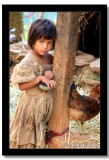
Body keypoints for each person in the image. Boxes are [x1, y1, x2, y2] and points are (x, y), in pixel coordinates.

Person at [10, 19, 57, 148]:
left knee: (44, 134)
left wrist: (49, 74)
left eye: (49, 42)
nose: (45, 46)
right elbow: (21, 86)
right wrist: (39, 79)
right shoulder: (28, 61)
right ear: (32, 40)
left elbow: (50, 74)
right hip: (31, 107)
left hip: (46, 104)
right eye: (41, 41)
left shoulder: (50, 57)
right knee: (30, 138)